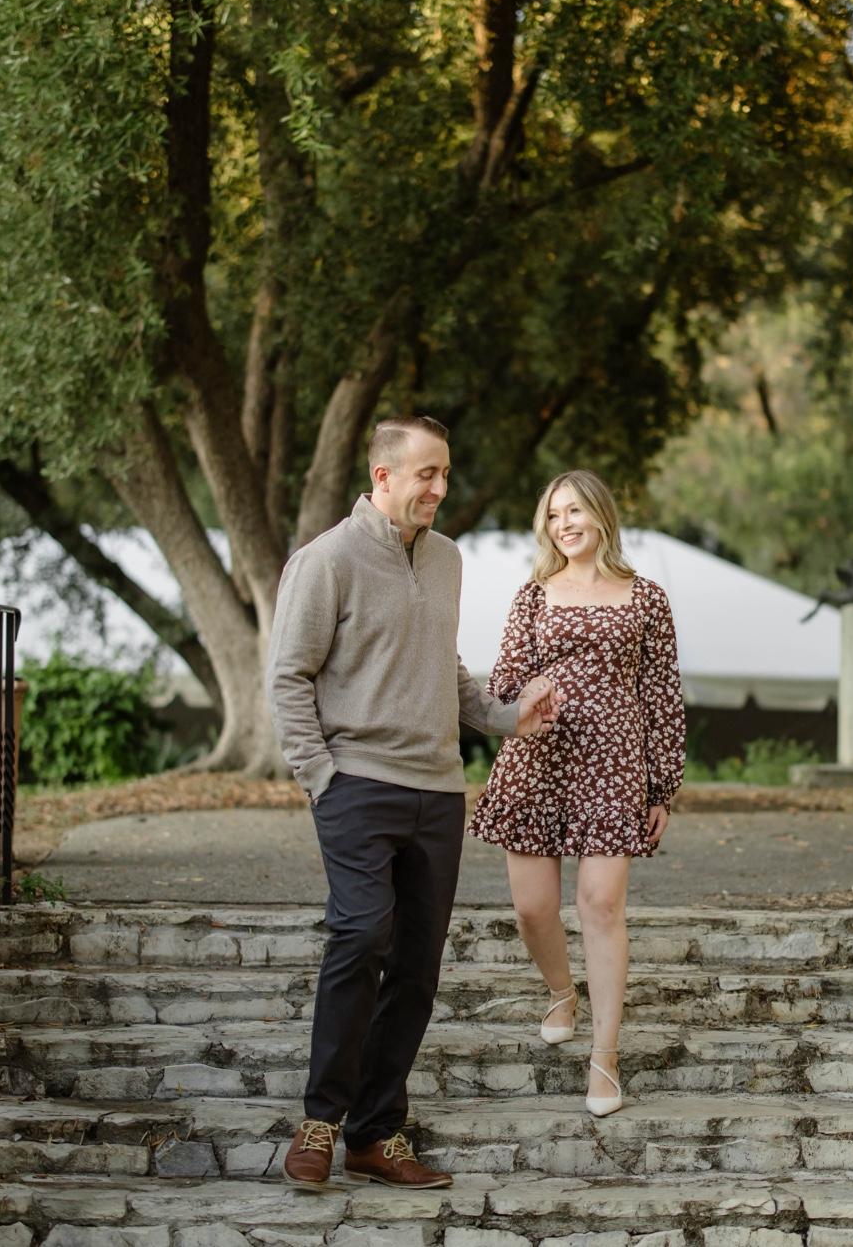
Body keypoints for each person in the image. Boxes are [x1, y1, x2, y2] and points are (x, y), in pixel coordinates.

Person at [266, 414, 559, 1191]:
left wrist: (506, 716)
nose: (440, 488)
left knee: (419, 965)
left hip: (437, 791)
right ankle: (320, 1122)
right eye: (427, 473)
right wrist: (320, 777)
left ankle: (374, 1133)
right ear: (383, 475)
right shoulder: (325, 560)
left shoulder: (447, 559)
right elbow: (288, 676)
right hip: (356, 785)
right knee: (362, 934)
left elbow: (444, 666)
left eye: (446, 474)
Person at [468, 468, 685, 1116]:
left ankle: (605, 1059)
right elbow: (504, 683)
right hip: (537, 759)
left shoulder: (646, 598)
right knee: (533, 909)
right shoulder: (533, 595)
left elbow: (662, 694)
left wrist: (662, 786)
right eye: (554, 514)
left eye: (575, 511)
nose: (564, 524)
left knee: (601, 904)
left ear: (600, 515)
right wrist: (526, 695)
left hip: (615, 765)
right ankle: (562, 992)